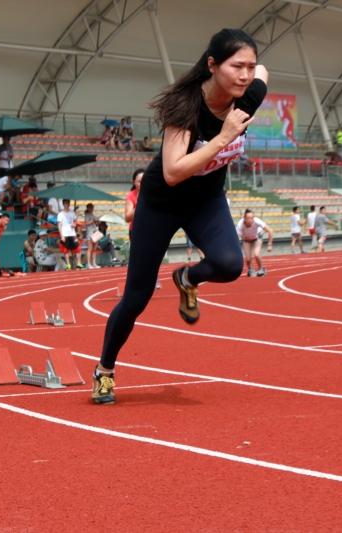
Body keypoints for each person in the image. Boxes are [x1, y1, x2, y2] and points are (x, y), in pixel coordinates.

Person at [92, 28, 269, 404]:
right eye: (237, 66)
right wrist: (223, 137)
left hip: (205, 201)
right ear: (211, 65)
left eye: (250, 67)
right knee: (136, 298)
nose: (246, 75)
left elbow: (264, 74)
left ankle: (187, 277)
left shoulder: (248, 94)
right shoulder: (186, 105)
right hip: (160, 202)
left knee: (229, 264)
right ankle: (105, 370)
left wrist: (255, 73)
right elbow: (173, 171)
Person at [236, 209, 273, 277]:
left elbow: (270, 231)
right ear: (245, 219)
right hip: (246, 239)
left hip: (257, 237)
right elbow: (236, 237)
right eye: (248, 218)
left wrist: (269, 244)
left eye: (252, 218)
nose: (250, 220)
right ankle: (250, 268)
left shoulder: (257, 221)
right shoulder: (240, 224)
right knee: (248, 258)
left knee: (256, 254)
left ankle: (261, 269)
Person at [57, 199, 83, 270]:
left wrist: (74, 224)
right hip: (65, 234)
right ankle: (68, 265)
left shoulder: (72, 212)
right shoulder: (60, 214)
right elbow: (59, 225)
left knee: (78, 249)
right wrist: (61, 235)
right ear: (63, 204)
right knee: (66, 251)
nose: (67, 204)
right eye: (66, 203)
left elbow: (75, 221)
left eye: (68, 203)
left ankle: (78, 263)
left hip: (72, 233)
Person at [83, 203, 100, 269]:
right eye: (90, 207)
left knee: (94, 249)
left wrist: (97, 222)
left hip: (95, 231)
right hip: (90, 232)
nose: (91, 209)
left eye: (92, 207)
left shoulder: (93, 215)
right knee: (90, 248)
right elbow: (86, 223)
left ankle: (94, 263)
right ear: (87, 208)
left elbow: (95, 224)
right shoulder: (87, 215)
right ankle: (88, 263)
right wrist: (93, 220)